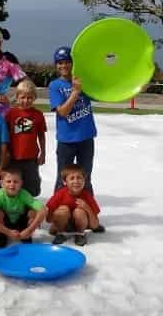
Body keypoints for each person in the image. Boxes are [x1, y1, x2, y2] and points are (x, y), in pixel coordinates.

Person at [49, 46, 105, 233]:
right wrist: (75, 93)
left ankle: (90, 217)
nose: (64, 65)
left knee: (85, 178)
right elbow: (63, 112)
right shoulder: (55, 86)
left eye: (67, 62)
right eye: (60, 63)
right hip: (66, 139)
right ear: (56, 66)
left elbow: (106, 92)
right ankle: (58, 219)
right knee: (62, 179)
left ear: (73, 63)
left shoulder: (83, 82)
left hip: (86, 137)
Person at [0, 168, 46, 248]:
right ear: (1, 183)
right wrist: (8, 232)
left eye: (16, 182)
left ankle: (25, 233)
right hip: (5, 223)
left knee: (33, 212)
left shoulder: (24, 194)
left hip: (20, 221)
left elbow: (43, 210)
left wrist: (30, 230)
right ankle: (0, 234)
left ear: (21, 183)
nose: (12, 184)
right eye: (8, 181)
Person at [5, 79, 46, 196]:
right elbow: (4, 134)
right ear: (17, 97)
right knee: (13, 185)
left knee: (33, 188)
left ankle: (28, 206)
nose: (26, 101)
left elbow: (41, 135)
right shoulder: (11, 113)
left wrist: (43, 153)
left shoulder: (38, 114)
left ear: (34, 98)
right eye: (23, 97)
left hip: (31, 158)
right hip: (13, 157)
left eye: (29, 98)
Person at [46, 164, 102, 246]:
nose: (76, 181)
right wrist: (55, 223)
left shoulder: (87, 196)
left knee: (79, 211)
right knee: (63, 209)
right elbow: (48, 218)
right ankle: (60, 233)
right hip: (63, 225)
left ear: (84, 180)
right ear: (65, 182)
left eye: (79, 178)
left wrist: (87, 208)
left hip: (81, 225)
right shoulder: (60, 194)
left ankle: (80, 234)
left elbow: (95, 225)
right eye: (72, 178)